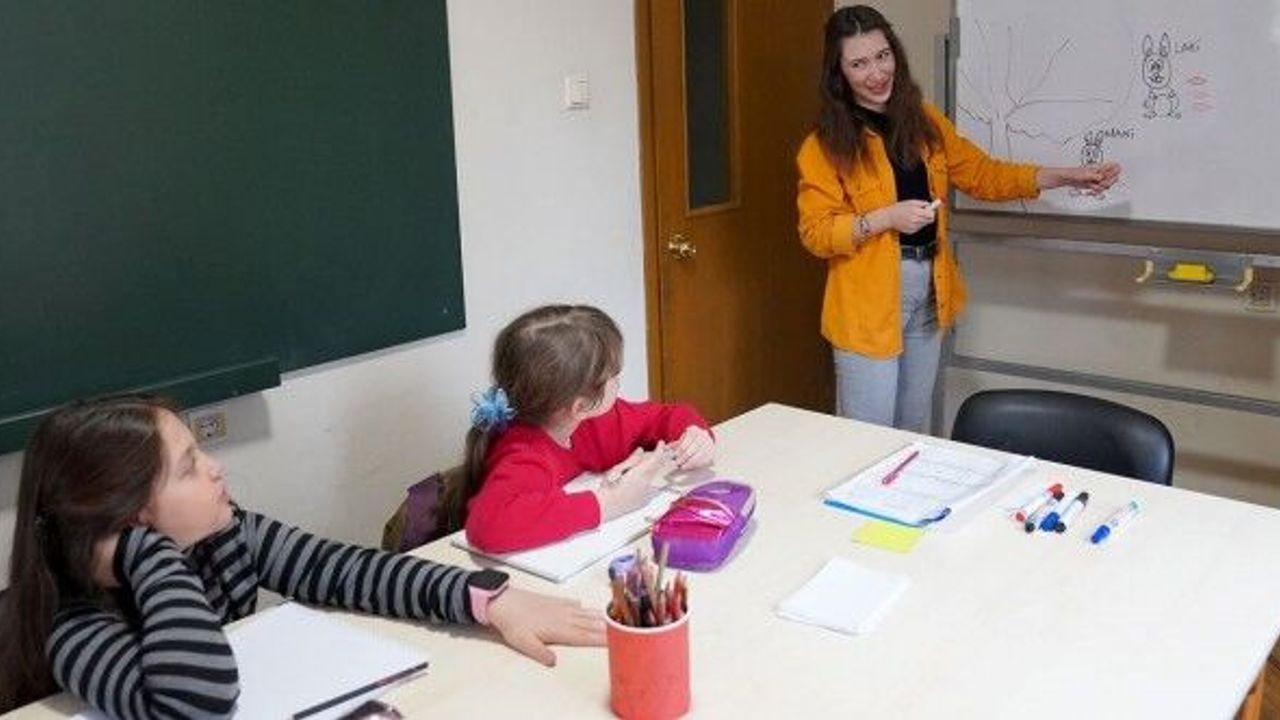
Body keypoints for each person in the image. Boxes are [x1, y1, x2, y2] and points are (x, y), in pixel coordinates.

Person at [0, 396, 605, 718]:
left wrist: (489, 601)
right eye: (189, 467)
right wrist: (150, 556)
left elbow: (349, 571)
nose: (216, 470)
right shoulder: (73, 621)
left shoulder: (224, 534)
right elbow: (198, 699)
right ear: (131, 515)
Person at [796, 6, 1120, 431]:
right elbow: (816, 233)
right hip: (868, 302)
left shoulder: (925, 121)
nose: (876, 72)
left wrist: (1064, 175)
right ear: (838, 74)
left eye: (882, 56)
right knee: (867, 438)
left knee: (911, 429)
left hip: (931, 287)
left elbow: (983, 175)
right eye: (859, 64)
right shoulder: (823, 145)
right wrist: (883, 218)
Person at [457, 304, 715, 553]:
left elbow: (665, 416)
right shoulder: (523, 453)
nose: (618, 381)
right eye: (614, 375)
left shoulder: (594, 421)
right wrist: (611, 502)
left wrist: (695, 435)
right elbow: (487, 526)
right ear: (580, 406)